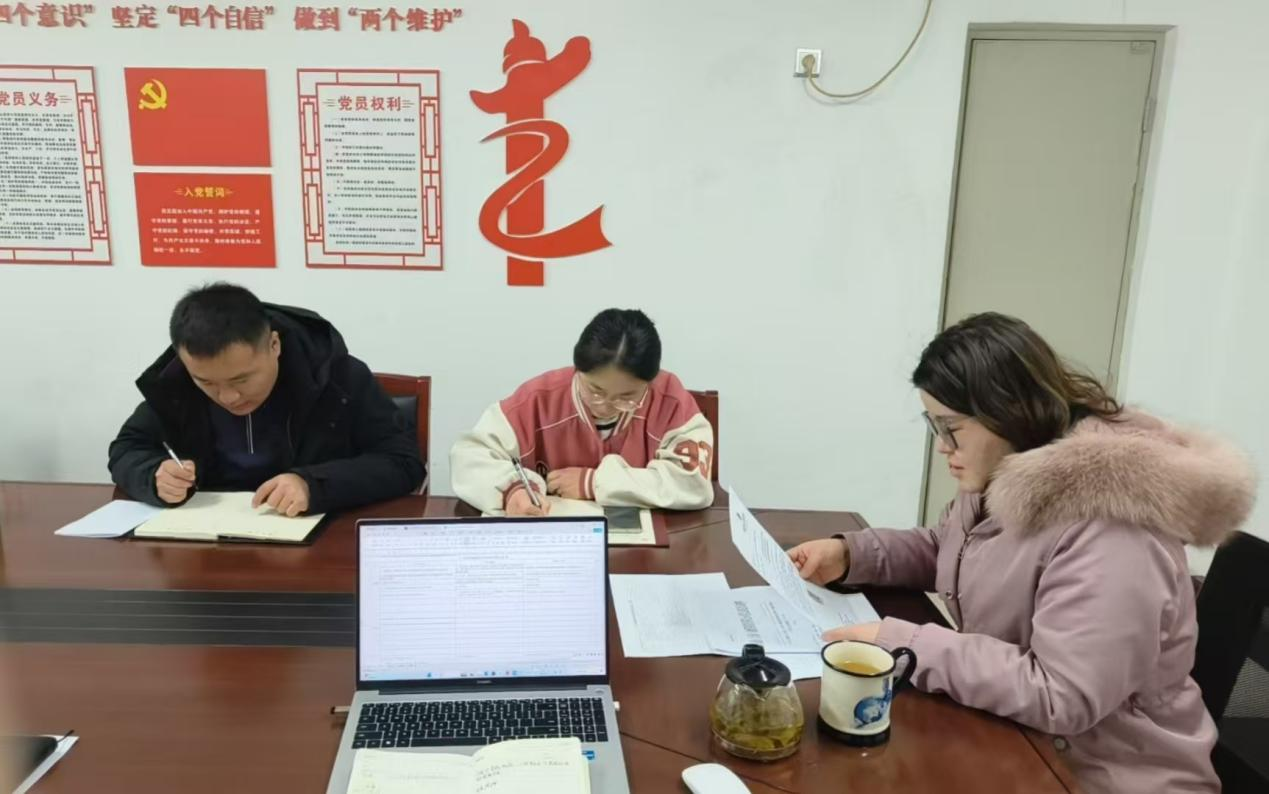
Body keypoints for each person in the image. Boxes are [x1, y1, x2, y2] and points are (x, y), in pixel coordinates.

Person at [788, 312, 1254, 793]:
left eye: (951, 428)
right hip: (1021, 745)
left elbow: (1062, 694)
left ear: (1006, 412)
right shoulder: (1004, 472)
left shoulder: (1115, 528)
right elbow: (950, 548)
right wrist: (852, 554)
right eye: (934, 426)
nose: (943, 447)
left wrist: (904, 645)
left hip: (1109, 777)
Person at [108, 283, 424, 515]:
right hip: (205, 544)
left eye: (241, 379)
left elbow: (403, 462)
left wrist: (313, 484)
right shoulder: (175, 384)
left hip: (316, 542)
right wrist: (153, 475)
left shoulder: (338, 376)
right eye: (206, 382)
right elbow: (126, 448)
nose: (228, 397)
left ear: (274, 345)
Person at [450, 308, 714, 516]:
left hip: (649, 554)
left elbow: (693, 484)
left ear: (650, 382)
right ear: (577, 369)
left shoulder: (670, 402)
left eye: (627, 397)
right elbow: (469, 456)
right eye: (595, 390)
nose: (605, 406)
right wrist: (511, 490)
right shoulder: (538, 400)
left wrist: (593, 482)